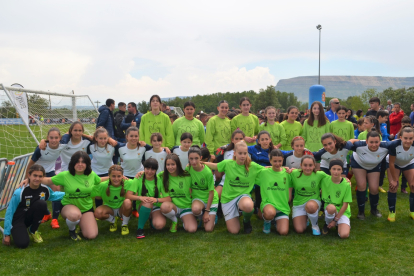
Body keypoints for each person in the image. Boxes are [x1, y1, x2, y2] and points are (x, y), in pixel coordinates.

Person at [31, 151, 105, 241]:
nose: (80, 164)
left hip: (86, 207)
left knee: (91, 235)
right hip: (69, 206)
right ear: (73, 163)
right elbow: (47, 180)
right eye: (77, 162)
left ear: (87, 164)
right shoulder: (65, 175)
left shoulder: (91, 175)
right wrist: (31, 179)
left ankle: (81, 224)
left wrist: (116, 177)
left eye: (83, 162)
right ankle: (72, 231)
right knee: (74, 215)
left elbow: (100, 180)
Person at [203, 141, 264, 234]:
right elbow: (215, 166)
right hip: (228, 198)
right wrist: (201, 163)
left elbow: (268, 169)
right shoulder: (228, 163)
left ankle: (246, 221)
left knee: (248, 206)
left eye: (245, 153)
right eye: (240, 153)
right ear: (235, 153)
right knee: (234, 231)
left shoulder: (252, 166)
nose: (243, 156)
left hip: (243, 195)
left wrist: (286, 169)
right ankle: (237, 211)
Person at [3, 165, 64, 248]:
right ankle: (19, 229)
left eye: (40, 176)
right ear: (29, 176)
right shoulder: (20, 191)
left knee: (42, 204)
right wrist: (7, 234)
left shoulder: (45, 189)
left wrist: (74, 193)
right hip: (18, 220)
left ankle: (33, 230)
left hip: (29, 217)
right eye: (35, 175)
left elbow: (55, 196)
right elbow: (10, 211)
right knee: (22, 244)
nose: (37, 179)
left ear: (43, 177)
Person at [26, 128, 65, 229]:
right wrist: (27, 178)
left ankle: (55, 219)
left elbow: (72, 133)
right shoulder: (41, 149)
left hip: (51, 172)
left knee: (57, 190)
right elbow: (30, 164)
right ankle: (47, 214)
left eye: (56, 137)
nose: (54, 140)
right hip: (38, 173)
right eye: (51, 138)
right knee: (37, 194)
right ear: (48, 138)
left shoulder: (63, 144)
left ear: (60, 138)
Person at [347, 131, 392, 220]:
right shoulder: (359, 145)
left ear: (380, 141)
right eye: (371, 142)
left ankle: (374, 209)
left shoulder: (386, 145)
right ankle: (361, 211)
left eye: (376, 142)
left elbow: (399, 141)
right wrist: (352, 140)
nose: (374, 145)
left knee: (374, 189)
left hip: (374, 166)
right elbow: (347, 144)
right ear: (366, 141)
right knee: (362, 185)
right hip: (359, 163)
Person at [126, 158, 171, 239]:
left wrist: (156, 200)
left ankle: (151, 218)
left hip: (156, 206)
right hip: (143, 205)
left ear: (156, 170)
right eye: (147, 168)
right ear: (144, 168)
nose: (149, 171)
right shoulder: (138, 178)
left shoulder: (159, 179)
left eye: (153, 169)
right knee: (147, 202)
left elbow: (168, 198)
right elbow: (128, 196)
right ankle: (140, 229)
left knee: (159, 226)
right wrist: (140, 198)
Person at [256, 149, 292, 235]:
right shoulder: (264, 172)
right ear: (270, 160)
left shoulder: (287, 173)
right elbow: (250, 173)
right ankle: (267, 222)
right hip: (269, 203)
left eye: (280, 161)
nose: (277, 163)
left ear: (283, 160)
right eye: (274, 161)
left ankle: (276, 220)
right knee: (270, 213)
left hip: (282, 206)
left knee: (283, 232)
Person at [289, 156, 326, 235]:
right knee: (299, 230)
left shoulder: (320, 174)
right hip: (298, 204)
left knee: (311, 206)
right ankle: (306, 218)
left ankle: (314, 225)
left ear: (314, 165)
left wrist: (345, 180)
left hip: (313, 202)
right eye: (305, 165)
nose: (308, 168)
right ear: (301, 165)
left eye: (310, 165)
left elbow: (333, 179)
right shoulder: (294, 173)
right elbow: (280, 170)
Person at [160, 154, 197, 233]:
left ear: (178, 164)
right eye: (168, 165)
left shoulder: (187, 175)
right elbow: (149, 175)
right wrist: (141, 172)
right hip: (173, 207)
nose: (170, 167)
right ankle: (174, 220)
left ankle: (186, 220)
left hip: (186, 206)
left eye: (173, 164)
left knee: (192, 229)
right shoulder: (162, 176)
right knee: (164, 206)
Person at [92, 165, 132, 235]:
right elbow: (89, 186)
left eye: (119, 176)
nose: (116, 179)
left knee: (128, 202)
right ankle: (113, 221)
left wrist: (140, 173)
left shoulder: (128, 183)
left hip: (122, 209)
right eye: (113, 176)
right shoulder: (103, 185)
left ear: (123, 176)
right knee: (97, 213)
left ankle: (124, 225)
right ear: (109, 176)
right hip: (109, 209)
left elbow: (139, 181)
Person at [187, 147, 219, 232]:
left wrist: (207, 211)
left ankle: (212, 215)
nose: (194, 161)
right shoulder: (188, 169)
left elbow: (211, 193)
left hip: (211, 199)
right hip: (198, 198)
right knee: (195, 209)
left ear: (201, 158)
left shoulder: (208, 172)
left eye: (196, 158)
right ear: (188, 159)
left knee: (208, 229)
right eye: (191, 159)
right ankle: (201, 217)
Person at [90, 127, 123, 207]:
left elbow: (125, 145)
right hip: (95, 172)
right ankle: (99, 208)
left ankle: (112, 206)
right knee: (98, 193)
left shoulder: (112, 147)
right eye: (100, 138)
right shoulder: (90, 146)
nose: (103, 141)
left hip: (108, 172)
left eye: (105, 138)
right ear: (96, 138)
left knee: (110, 190)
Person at [387, 127, 414, 222]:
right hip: (395, 164)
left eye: (411, 138)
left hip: (408, 163)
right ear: (401, 137)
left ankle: (412, 212)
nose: (408, 141)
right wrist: (394, 180)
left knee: (413, 186)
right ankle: (392, 212)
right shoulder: (395, 145)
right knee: (393, 186)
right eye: (405, 138)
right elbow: (391, 163)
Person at [320, 159, 352, 238]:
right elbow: (309, 171)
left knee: (344, 235)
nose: (336, 172)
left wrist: (335, 220)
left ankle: (336, 223)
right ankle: (327, 224)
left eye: (339, 169)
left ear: (342, 171)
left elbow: (345, 205)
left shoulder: (346, 184)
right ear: (330, 170)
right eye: (334, 169)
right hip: (330, 208)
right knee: (331, 208)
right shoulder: (324, 179)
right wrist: (291, 169)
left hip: (342, 211)